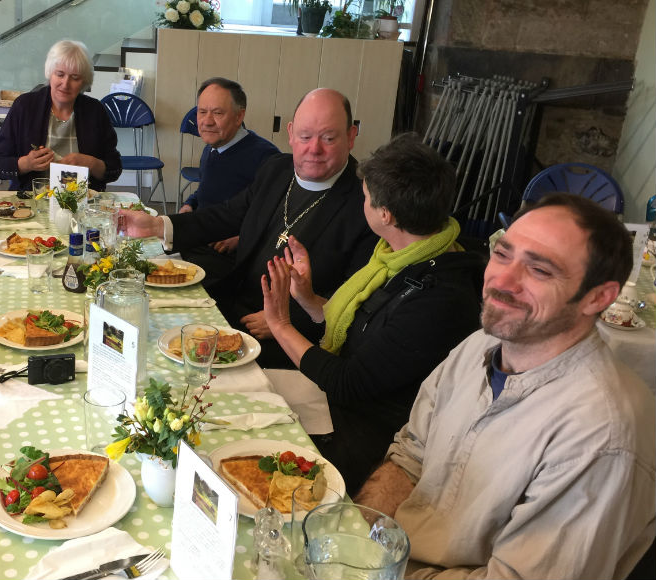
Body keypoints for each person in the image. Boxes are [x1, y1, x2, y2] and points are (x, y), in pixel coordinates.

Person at [355, 194, 655, 579]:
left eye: (540, 270)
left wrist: (385, 574)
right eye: (502, 254)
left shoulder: (602, 435)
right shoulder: (481, 345)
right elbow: (411, 455)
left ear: (598, 297)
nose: (503, 280)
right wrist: (355, 535)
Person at [260, 134, 485, 493]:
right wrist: (308, 299)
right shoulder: (396, 255)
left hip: (367, 436)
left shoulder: (439, 295)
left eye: (364, 198)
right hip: (341, 405)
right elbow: (361, 331)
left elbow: (348, 384)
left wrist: (281, 324)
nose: (361, 203)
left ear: (385, 214)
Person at [121, 88, 377, 368]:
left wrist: (288, 318)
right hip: (233, 303)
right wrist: (157, 225)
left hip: (290, 340)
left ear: (351, 136)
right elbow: (226, 215)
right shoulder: (277, 169)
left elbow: (359, 300)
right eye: (304, 137)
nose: (313, 149)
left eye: (328, 138)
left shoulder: (367, 203)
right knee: (146, 335)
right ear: (291, 133)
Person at [179, 77, 279, 286]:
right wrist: (190, 204)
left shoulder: (266, 157)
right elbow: (206, 189)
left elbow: (278, 217)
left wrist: (242, 239)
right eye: (201, 111)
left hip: (230, 259)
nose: (206, 121)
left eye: (217, 113)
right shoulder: (212, 146)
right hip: (201, 237)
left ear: (239, 116)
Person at [0, 40, 122, 192]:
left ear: (85, 81)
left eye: (75, 78)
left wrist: (91, 163)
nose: (65, 84)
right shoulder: (24, 107)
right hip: (32, 201)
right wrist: (27, 163)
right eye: (60, 74)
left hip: (83, 202)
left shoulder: (95, 111)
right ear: (50, 73)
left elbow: (115, 168)